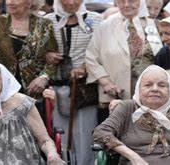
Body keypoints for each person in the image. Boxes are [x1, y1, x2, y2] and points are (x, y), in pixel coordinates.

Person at [93, 65, 170, 165]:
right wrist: (133, 156)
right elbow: (101, 132)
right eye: (148, 85)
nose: (155, 89)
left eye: (162, 85)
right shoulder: (127, 108)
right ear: (138, 89)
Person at [44, 0, 102, 164]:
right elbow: (37, 50)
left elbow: (100, 50)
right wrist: (47, 55)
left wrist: (85, 66)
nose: (71, 2)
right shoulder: (47, 20)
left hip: (84, 87)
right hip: (56, 84)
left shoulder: (95, 19)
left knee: (85, 132)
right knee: (59, 133)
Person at [85, 0, 163, 106]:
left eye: (132, 1)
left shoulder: (153, 24)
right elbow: (91, 57)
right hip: (115, 93)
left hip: (151, 94)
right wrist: (105, 82)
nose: (126, 5)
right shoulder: (105, 26)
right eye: (121, 1)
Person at [0, 0, 58, 97]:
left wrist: (43, 77)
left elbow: (53, 58)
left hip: (32, 92)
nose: (10, 2)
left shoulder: (45, 25)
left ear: (29, 2)